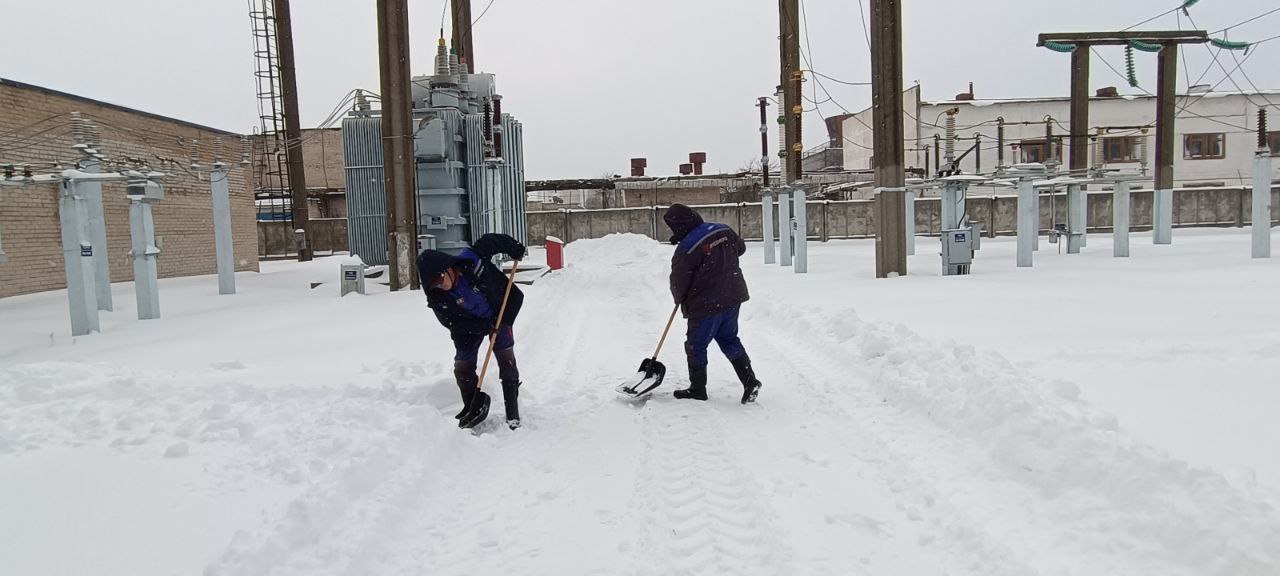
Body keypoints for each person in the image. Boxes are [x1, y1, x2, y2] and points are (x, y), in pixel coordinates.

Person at [417, 233, 527, 428]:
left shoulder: (470, 261)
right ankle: (473, 406)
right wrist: (483, 327)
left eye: (441, 279)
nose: (441, 286)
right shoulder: (437, 298)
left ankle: (513, 412)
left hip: (499, 313)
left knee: (506, 358)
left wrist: (513, 248)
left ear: (448, 268)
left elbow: (490, 242)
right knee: (462, 367)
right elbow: (452, 323)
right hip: (468, 328)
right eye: (435, 284)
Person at [663, 204, 762, 404]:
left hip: (706, 303)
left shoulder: (686, 248)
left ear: (679, 226)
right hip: (732, 295)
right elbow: (740, 248)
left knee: (696, 345)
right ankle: (750, 381)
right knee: (728, 339)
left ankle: (698, 389)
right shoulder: (722, 229)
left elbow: (679, 281)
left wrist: (679, 297)